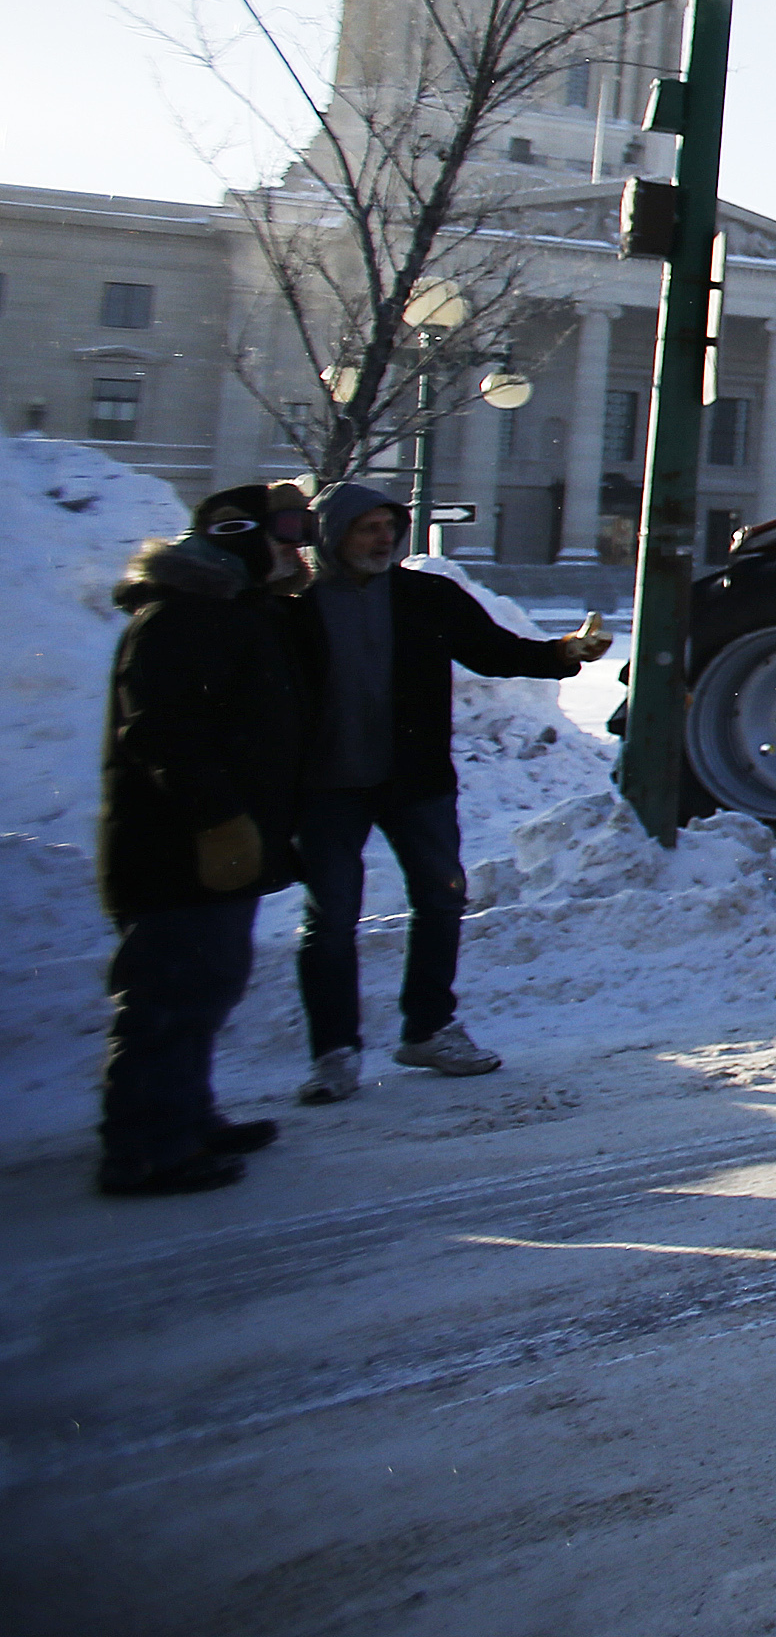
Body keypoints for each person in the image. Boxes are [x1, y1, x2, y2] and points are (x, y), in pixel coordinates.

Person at [289, 482, 607, 1103]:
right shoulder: (294, 608)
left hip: (415, 779)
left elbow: (492, 651)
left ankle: (429, 1028)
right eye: (367, 529)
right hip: (326, 785)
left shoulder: (424, 594)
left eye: (389, 527)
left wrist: (565, 653)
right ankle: (334, 1051)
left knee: (440, 900)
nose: (383, 539)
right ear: (331, 538)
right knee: (330, 920)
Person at [95, 483, 314, 1196]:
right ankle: (146, 1147)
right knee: (168, 997)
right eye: (283, 539)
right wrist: (217, 820)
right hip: (178, 847)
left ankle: (186, 1117)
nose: (294, 553)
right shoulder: (182, 617)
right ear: (239, 537)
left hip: (216, 845)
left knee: (204, 987)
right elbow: (164, 732)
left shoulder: (228, 612)